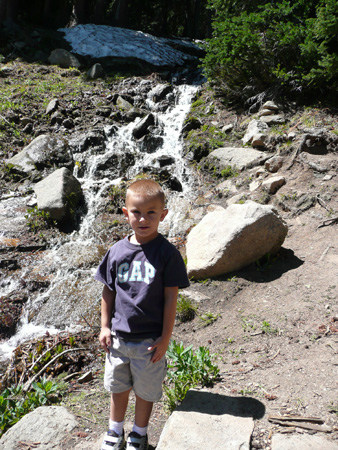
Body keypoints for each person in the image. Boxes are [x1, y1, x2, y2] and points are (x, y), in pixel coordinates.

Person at [95, 178, 190, 450]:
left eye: (151, 213)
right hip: (118, 339)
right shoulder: (116, 252)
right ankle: (114, 431)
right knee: (118, 387)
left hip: (150, 342)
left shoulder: (167, 253)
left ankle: (139, 433)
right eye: (136, 212)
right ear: (126, 213)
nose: (143, 219)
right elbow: (108, 292)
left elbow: (172, 297)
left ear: (163, 215)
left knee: (146, 391)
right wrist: (104, 327)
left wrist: (165, 337)